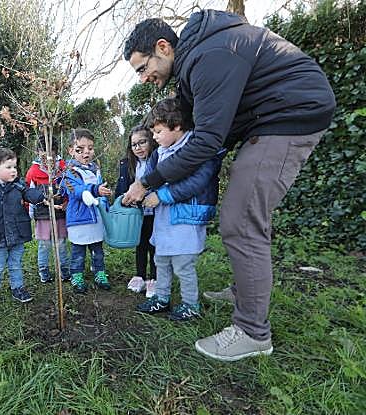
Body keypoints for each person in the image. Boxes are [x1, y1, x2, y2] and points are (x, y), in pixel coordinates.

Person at [122, 11, 336, 361]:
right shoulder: (196, 62)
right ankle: (244, 291)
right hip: (269, 118)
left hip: (289, 115)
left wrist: (146, 181)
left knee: (241, 220)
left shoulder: (210, 56)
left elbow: (204, 142)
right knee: (240, 212)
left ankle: (252, 332)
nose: (144, 78)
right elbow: (198, 128)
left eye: (143, 68)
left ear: (163, 47)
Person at [135, 98, 224, 321]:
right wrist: (141, 192)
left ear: (176, 126)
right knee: (161, 259)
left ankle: (190, 304)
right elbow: (152, 178)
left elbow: (196, 182)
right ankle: (162, 298)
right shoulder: (160, 152)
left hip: (186, 217)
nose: (154, 137)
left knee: (183, 264)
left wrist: (161, 196)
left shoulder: (198, 147)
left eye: (158, 131)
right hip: (164, 218)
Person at [0, 147, 45, 307]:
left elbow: (29, 193)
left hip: (17, 233)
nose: (13, 171)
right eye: (8, 167)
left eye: (15, 167)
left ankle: (18, 288)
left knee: (15, 263)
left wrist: (41, 196)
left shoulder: (18, 186)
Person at [60, 128, 113, 294]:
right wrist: (94, 191)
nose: (86, 153)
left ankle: (100, 273)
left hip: (96, 218)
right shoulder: (69, 172)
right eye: (80, 149)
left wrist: (105, 203)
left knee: (98, 250)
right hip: (79, 220)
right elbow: (76, 190)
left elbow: (100, 188)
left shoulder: (95, 169)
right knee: (78, 252)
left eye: (90, 148)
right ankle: (77, 275)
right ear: (70, 151)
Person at [114, 125, 158, 296]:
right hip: (136, 213)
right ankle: (140, 275)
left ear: (151, 142)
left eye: (142, 142)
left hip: (155, 211)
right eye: (134, 145)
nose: (138, 148)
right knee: (140, 244)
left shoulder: (159, 160)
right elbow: (122, 186)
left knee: (154, 244)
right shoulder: (127, 164)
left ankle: (154, 278)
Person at [25, 135, 70, 283]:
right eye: (43, 154)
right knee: (44, 245)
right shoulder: (33, 172)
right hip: (42, 215)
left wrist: (66, 202)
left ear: (56, 153)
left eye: (52, 153)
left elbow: (69, 187)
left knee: (62, 243)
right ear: (38, 152)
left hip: (60, 214)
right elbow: (29, 194)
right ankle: (44, 272)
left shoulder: (63, 167)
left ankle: (65, 272)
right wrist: (31, 213)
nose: (48, 158)